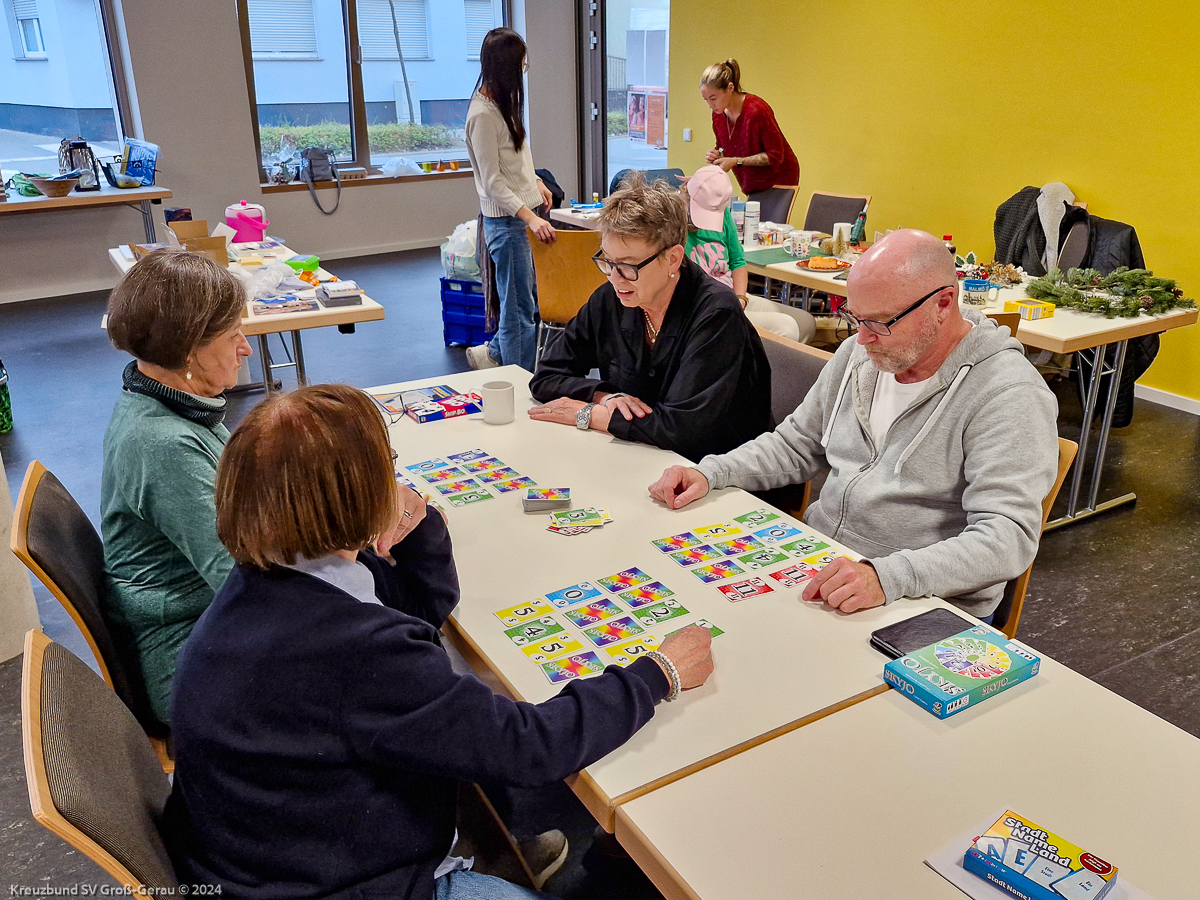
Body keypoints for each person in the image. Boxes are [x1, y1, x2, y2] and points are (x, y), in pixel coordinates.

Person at [164, 383, 714, 900]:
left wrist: (418, 521)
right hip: (343, 883)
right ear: (359, 495)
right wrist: (657, 672)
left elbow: (418, 616)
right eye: (388, 466)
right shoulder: (355, 650)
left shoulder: (274, 574)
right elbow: (528, 748)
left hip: (271, 850)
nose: (395, 478)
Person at [648, 230, 1060, 621]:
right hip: (826, 560)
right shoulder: (861, 354)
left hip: (927, 601)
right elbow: (796, 444)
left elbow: (1007, 537)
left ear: (942, 304)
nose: (862, 339)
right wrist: (712, 472)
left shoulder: (1008, 393)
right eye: (855, 318)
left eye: (880, 322)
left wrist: (886, 577)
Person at [101, 249, 253, 725]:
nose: (246, 348)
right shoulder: (164, 444)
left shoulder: (165, 402)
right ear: (190, 350)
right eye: (233, 335)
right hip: (188, 660)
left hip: (205, 621)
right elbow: (244, 582)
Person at [528, 174, 773, 462]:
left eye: (629, 266)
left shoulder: (716, 313)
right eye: (607, 261)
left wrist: (589, 414)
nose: (615, 278)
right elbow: (546, 376)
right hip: (643, 456)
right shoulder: (611, 298)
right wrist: (604, 397)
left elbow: (682, 430)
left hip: (721, 469)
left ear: (673, 258)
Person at [464, 27, 556, 373]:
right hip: (507, 223)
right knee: (519, 311)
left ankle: (492, 355)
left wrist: (536, 183)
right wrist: (530, 217)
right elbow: (492, 183)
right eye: (521, 64)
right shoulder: (482, 115)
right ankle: (518, 380)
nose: (523, 71)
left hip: (519, 218)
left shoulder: (502, 106)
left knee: (523, 301)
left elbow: (514, 160)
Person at [683, 164, 816, 343]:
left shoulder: (722, 214)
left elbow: (737, 261)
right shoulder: (670, 225)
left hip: (730, 294)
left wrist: (740, 298)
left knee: (806, 322)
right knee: (787, 328)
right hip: (705, 305)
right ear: (685, 192)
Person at [701, 59, 800, 204]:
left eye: (713, 98)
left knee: (763, 218)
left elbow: (775, 156)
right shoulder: (718, 115)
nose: (710, 105)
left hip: (779, 180)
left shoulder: (756, 111)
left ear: (730, 88)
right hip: (752, 184)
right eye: (705, 100)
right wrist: (717, 155)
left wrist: (736, 161)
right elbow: (724, 147)